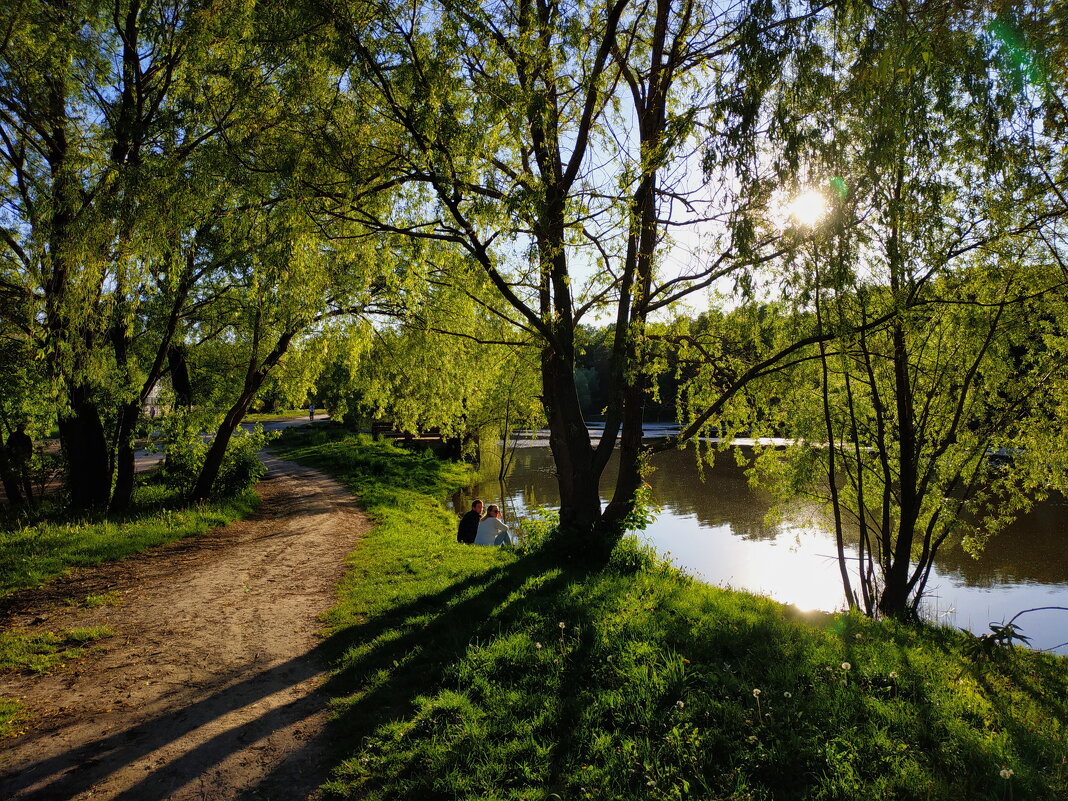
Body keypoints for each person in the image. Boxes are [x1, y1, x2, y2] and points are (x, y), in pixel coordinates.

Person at [6, 423, 32, 504]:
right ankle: (21, 486)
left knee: (21, 473)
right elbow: (8, 447)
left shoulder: (25, 437)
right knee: (19, 473)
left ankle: (23, 487)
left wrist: (27, 456)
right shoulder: (15, 437)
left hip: (20, 458)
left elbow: (29, 449)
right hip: (16, 458)